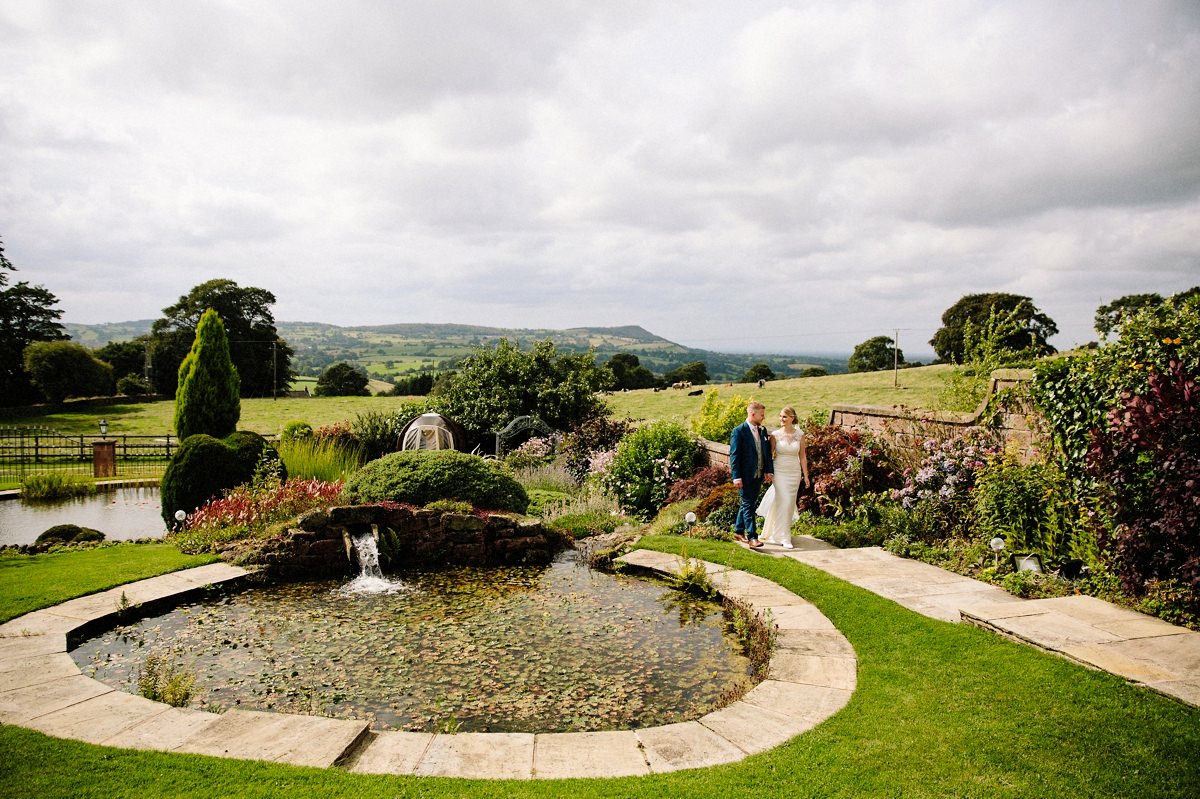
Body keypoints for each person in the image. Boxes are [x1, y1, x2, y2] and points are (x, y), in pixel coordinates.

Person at [757, 405, 810, 548]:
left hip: (794, 472)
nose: (781, 419)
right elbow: (769, 456)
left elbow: (803, 457)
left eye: (785, 416)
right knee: (785, 501)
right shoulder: (775, 435)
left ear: (792, 418)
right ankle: (784, 537)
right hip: (779, 472)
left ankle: (779, 533)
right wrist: (769, 472)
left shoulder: (800, 434)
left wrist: (806, 476)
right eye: (780, 416)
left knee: (787, 504)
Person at [729, 401, 773, 548]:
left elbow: (766, 453)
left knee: (748, 503)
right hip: (745, 476)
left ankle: (738, 531)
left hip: (758, 474)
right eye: (762, 415)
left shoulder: (762, 430)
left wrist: (768, 471)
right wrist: (736, 476)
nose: (763, 417)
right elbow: (734, 455)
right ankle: (753, 538)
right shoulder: (738, 431)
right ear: (752, 414)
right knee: (748, 505)